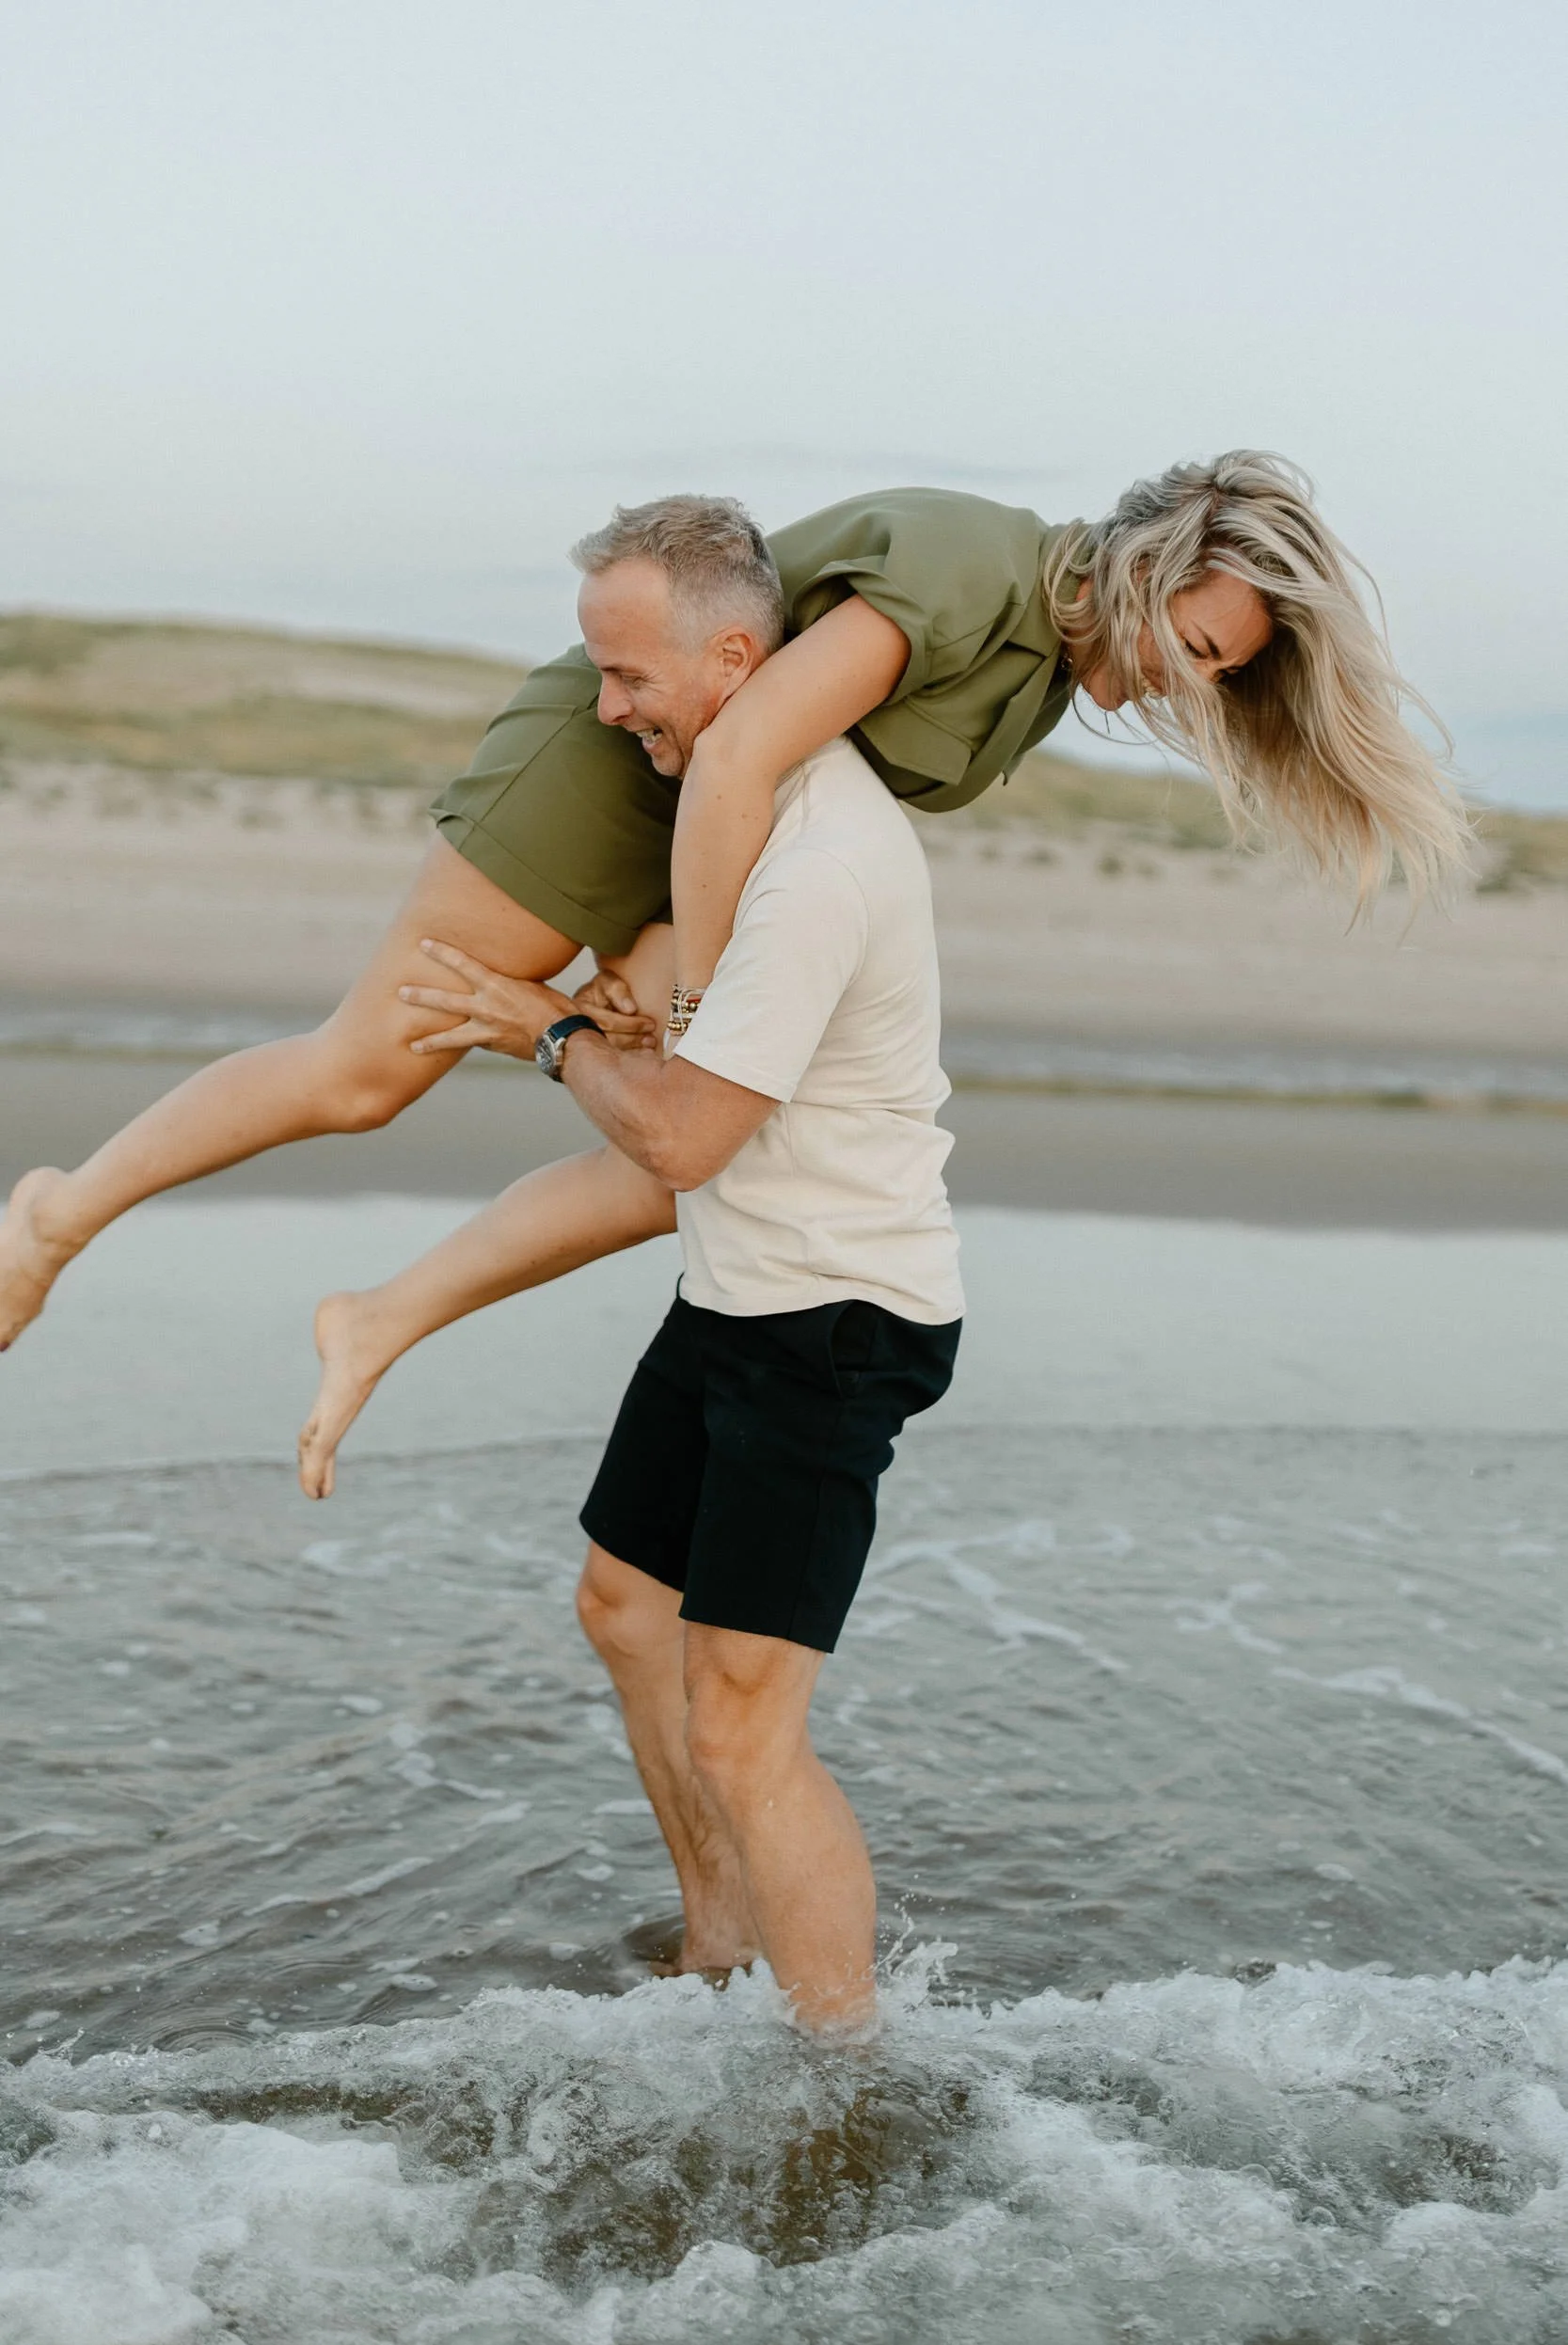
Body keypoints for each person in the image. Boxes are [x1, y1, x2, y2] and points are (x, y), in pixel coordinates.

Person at [0, 457, 1466, 1358]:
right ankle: (62, 1213)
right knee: (367, 1072)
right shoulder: (970, 572)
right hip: (609, 777)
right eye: (1197, 641)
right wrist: (694, 992)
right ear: (1154, 562)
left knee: (677, 1160)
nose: (1185, 680)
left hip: (704, 836)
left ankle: (376, 1318)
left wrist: (668, 975)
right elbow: (742, 745)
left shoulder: (1037, 672)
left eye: (1219, 673)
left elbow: (769, 797)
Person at [374, 578, 963, 2030]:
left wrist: (550, 1029)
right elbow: (704, 1079)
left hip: (834, 1321)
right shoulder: (739, 827)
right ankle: (717, 1943)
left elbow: (684, 1141)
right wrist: (635, 1016)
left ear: (734, 658)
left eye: (629, 674)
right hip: (738, 1291)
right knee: (624, 1601)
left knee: (747, 1728)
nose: (606, 705)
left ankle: (841, 2083)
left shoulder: (820, 859)